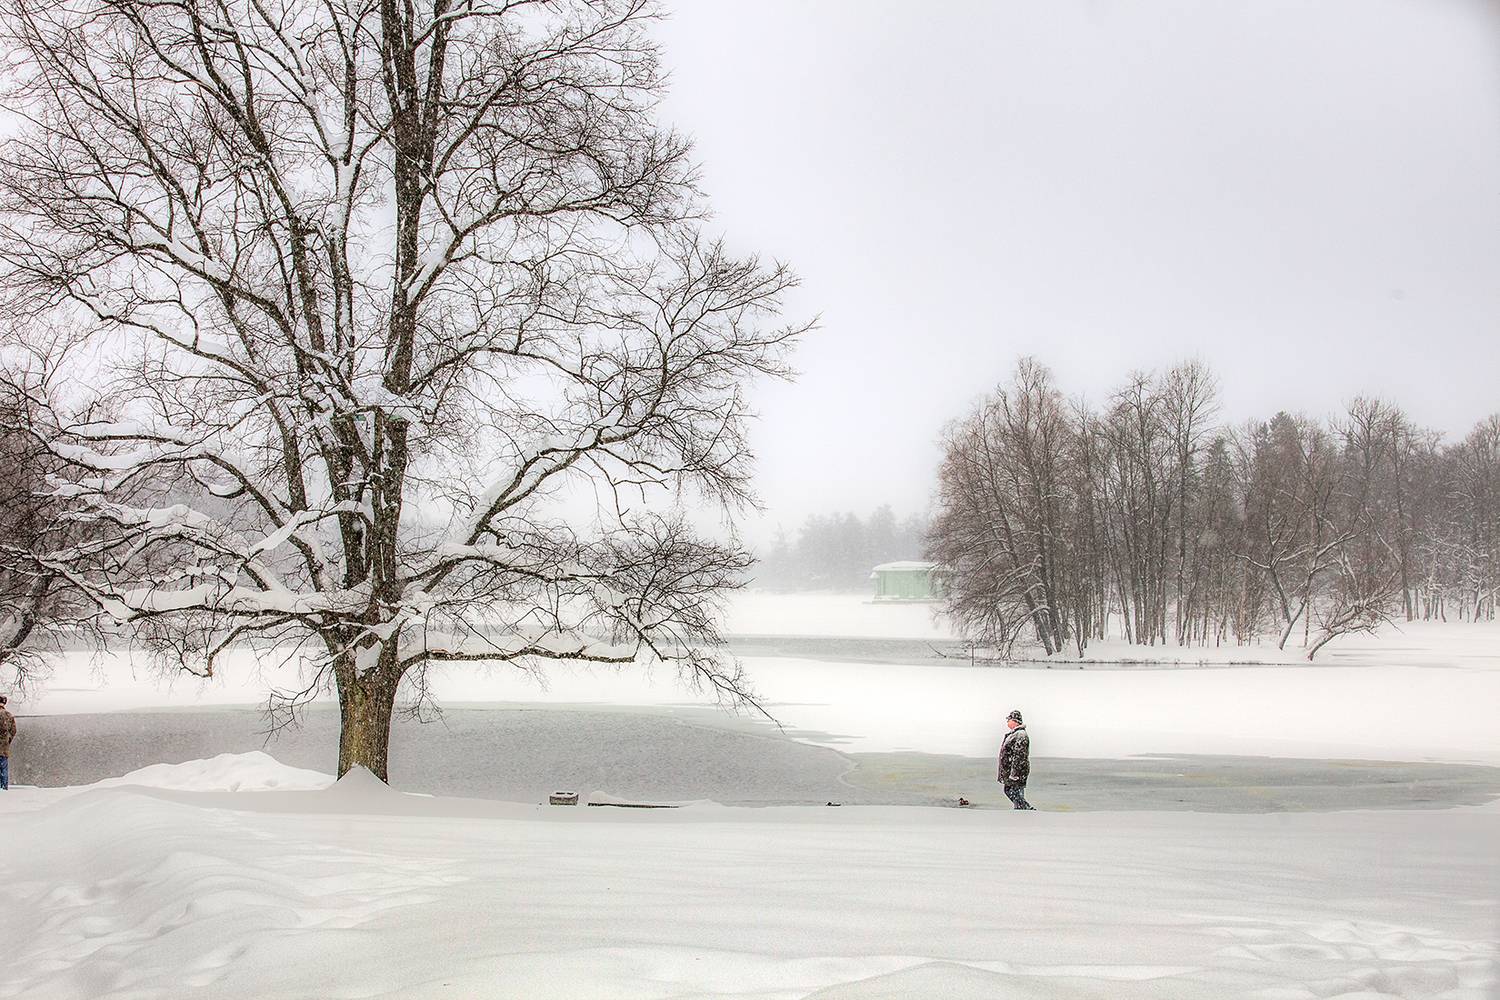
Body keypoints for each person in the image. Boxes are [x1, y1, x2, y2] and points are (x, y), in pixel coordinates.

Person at [998, 708, 1034, 810]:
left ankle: (1025, 809)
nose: (1007, 722)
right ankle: (1022, 809)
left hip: (1017, 772)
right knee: (1011, 791)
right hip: (1012, 771)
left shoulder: (1020, 735)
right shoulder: (1015, 734)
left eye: (1009, 720)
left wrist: (1014, 774)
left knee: (1013, 791)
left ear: (1015, 721)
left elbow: (1019, 756)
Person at [0, 694, 15, 791]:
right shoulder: (9, 715)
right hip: (4, 748)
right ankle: (3, 787)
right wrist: (8, 740)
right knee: (3, 768)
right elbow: (13, 731)